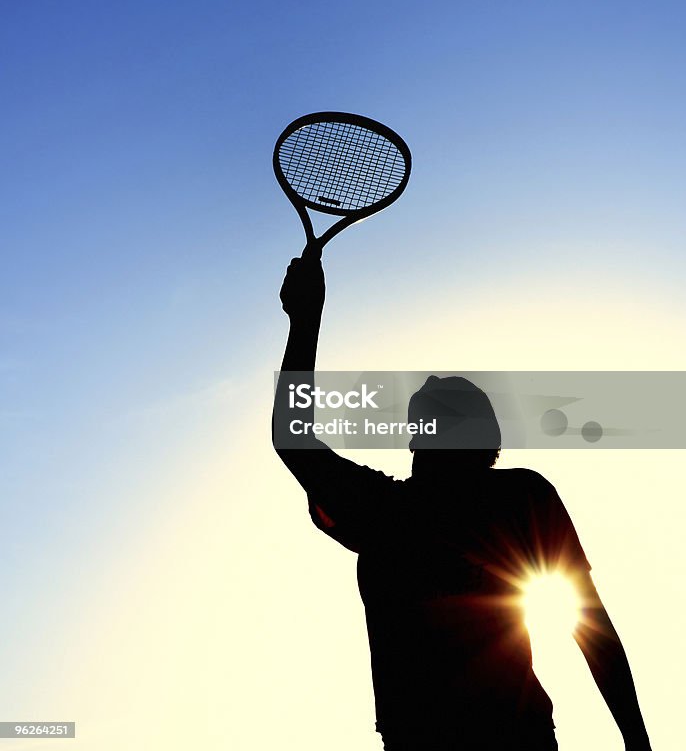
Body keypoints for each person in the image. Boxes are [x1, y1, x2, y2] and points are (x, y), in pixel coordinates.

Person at [273, 251, 653, 751]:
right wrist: (637, 741)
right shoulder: (520, 496)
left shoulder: (390, 511)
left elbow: (292, 438)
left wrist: (305, 321)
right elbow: (592, 628)